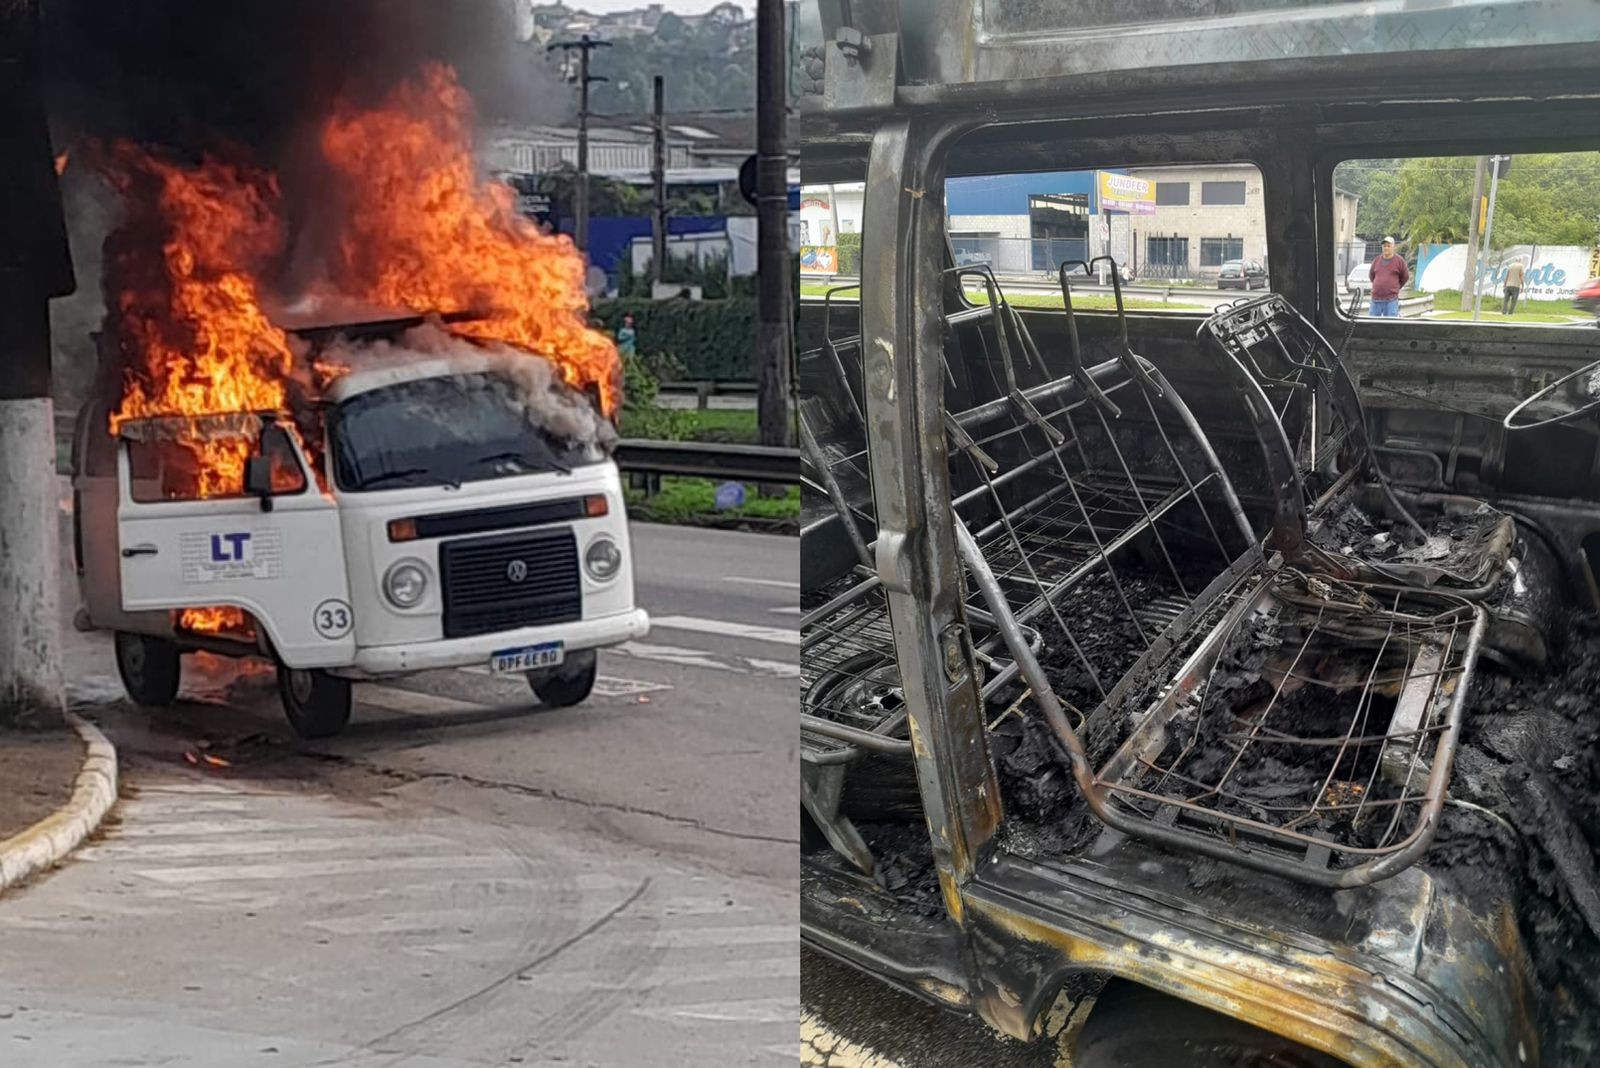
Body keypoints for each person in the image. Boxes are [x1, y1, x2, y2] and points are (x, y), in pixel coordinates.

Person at [1368, 236, 1409, 317]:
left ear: (1393, 247)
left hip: (1391, 300)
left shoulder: (1399, 261)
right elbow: (1371, 276)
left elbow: (1405, 277)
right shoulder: (1376, 260)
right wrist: (1379, 285)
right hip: (1375, 300)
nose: (1386, 248)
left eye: (1388, 246)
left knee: (1390, 325)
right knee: (1372, 325)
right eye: (1384, 246)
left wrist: (1396, 287)